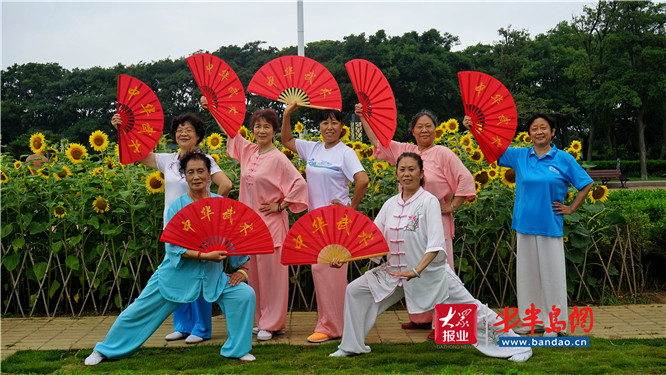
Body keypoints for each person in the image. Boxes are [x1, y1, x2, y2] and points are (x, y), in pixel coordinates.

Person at [328, 152, 532, 362]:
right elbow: (371, 237)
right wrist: (345, 256)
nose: (406, 174)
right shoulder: (390, 204)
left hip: (431, 275)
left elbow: (435, 244)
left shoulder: (429, 202)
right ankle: (351, 346)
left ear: (421, 173)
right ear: (396, 174)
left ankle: (517, 346)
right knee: (355, 291)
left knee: (472, 311)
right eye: (402, 170)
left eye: (412, 169)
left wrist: (416, 271)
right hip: (395, 272)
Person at [84, 152, 256, 366]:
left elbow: (235, 238)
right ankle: (105, 350)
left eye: (201, 171)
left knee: (243, 295)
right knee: (139, 310)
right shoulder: (177, 207)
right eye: (190, 172)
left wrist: (242, 269)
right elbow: (173, 248)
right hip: (176, 275)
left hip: (213, 279)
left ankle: (237, 350)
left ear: (209, 175)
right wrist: (204, 255)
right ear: (184, 176)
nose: (196, 176)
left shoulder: (221, 205)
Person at [463, 113, 593, 336]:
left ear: (553, 132)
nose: (539, 132)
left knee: (552, 277)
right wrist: (474, 129)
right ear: (529, 133)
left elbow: (586, 184)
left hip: (550, 225)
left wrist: (570, 208)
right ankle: (532, 322)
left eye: (544, 128)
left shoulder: (563, 159)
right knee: (527, 276)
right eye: (534, 128)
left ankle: (555, 324)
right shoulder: (520, 156)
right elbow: (492, 149)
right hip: (524, 225)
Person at [111, 112, 233, 344]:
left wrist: (211, 210)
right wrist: (122, 130)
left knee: (198, 275)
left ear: (198, 136)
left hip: (198, 228)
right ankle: (182, 326)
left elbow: (226, 184)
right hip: (174, 227)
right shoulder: (168, 160)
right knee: (178, 273)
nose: (183, 133)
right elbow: (136, 153)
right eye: (179, 129)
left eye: (188, 129)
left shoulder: (204, 160)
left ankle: (201, 328)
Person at [357, 104, 476, 337]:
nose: (424, 130)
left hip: (436, 221)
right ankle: (421, 318)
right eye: (419, 126)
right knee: (412, 267)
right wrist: (362, 117)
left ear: (436, 130)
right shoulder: (406, 151)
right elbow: (379, 143)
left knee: (440, 272)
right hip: (408, 224)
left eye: (428, 126)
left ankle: (447, 326)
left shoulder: (443, 153)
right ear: (412, 130)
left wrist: (452, 206)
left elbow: (465, 178)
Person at [202, 97, 309, 341]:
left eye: (267, 127)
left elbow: (299, 184)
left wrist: (281, 205)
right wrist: (212, 108)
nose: (261, 131)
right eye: (257, 127)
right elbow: (230, 130)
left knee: (273, 277)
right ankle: (263, 321)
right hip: (249, 225)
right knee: (256, 276)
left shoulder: (279, 158)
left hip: (272, 224)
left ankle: (273, 323)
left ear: (273, 130)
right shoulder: (249, 151)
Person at [281, 102, 369, 343]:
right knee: (327, 272)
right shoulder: (313, 149)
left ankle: (330, 326)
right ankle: (341, 320)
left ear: (342, 127)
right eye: (325, 122)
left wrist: (350, 208)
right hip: (314, 221)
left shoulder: (346, 152)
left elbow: (362, 180)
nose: (329, 127)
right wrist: (288, 114)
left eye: (334, 122)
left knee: (326, 270)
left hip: (334, 221)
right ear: (319, 126)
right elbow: (287, 140)